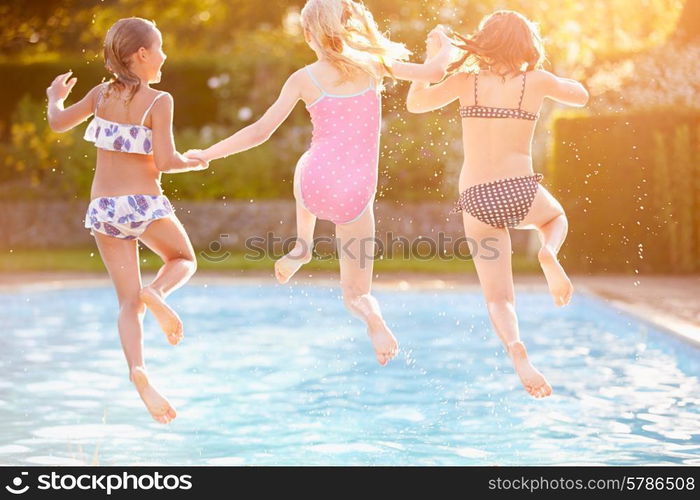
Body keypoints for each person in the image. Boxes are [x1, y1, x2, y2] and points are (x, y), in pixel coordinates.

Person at [185, 0, 453, 366]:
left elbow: (260, 132)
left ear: (309, 34)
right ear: (347, 27)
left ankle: (302, 246)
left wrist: (208, 153)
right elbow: (435, 72)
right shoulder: (374, 65)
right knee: (356, 292)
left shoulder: (304, 78)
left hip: (314, 183)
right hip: (356, 195)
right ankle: (373, 319)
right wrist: (442, 45)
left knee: (307, 161)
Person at [406, 11, 589, 397]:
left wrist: (429, 59)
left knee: (498, 297)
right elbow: (581, 95)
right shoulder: (535, 82)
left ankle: (515, 348)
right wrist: (553, 77)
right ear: (526, 46)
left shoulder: (464, 82)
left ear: (484, 43)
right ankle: (549, 253)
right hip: (519, 188)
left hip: (475, 198)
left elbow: (416, 103)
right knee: (554, 218)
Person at [46, 17, 208, 422]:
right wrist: (195, 162)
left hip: (104, 209)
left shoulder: (100, 95)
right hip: (142, 204)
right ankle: (159, 293)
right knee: (183, 260)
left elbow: (57, 122)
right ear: (141, 55)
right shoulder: (160, 101)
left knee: (126, 303)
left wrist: (53, 97)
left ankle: (138, 369)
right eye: (160, 47)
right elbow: (168, 161)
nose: (164, 55)